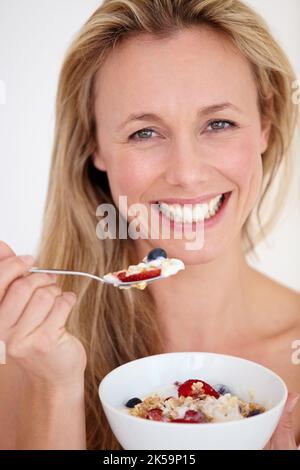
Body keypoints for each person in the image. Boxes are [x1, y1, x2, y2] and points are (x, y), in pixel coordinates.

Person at [0, 0, 299, 450]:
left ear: (266, 123)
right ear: (93, 146)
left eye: (218, 123)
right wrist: (52, 389)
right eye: (145, 132)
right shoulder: (26, 355)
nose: (187, 172)